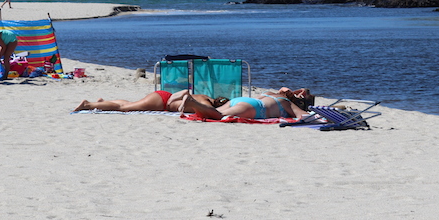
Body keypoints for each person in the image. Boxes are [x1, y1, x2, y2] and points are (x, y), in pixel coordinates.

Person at [179, 87, 314, 120]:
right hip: (254, 108)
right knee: (218, 115)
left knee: (213, 112)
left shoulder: (271, 93)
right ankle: (192, 102)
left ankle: (194, 103)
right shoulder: (285, 102)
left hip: (243, 100)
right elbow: (304, 116)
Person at [73, 89, 228, 113]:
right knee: (123, 108)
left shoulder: (205, 96)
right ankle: (88, 104)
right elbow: (213, 113)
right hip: (160, 102)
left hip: (163, 95)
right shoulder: (206, 105)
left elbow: (186, 92)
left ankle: (103, 101)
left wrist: (173, 98)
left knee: (129, 103)